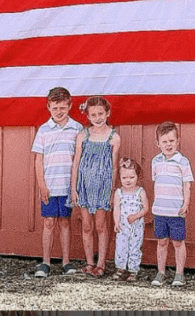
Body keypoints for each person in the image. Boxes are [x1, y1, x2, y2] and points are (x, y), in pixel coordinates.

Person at [30, 86, 82, 277]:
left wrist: (75, 187)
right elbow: (38, 160)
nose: (59, 112)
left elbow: (79, 158)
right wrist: (42, 185)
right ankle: (45, 262)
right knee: (49, 223)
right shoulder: (44, 130)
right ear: (48, 107)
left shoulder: (77, 129)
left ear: (70, 105)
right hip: (50, 187)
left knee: (65, 222)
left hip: (67, 186)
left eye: (62, 107)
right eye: (55, 108)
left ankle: (66, 262)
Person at [70, 94, 121, 277]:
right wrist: (73, 189)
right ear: (88, 116)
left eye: (101, 113)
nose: (98, 118)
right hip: (84, 185)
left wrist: (112, 192)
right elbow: (76, 163)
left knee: (101, 225)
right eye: (93, 115)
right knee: (86, 226)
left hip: (102, 187)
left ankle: (101, 265)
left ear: (108, 113)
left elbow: (114, 167)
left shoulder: (113, 137)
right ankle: (90, 262)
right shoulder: (83, 135)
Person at [150, 120, 194, 288]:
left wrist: (186, 204)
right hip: (160, 210)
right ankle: (161, 273)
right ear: (158, 143)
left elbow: (187, 185)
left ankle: (179, 274)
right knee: (161, 242)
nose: (168, 145)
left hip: (176, 211)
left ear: (178, 141)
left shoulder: (182, 162)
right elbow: (157, 183)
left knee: (178, 242)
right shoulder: (155, 161)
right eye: (164, 141)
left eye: (171, 141)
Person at [112, 157, 149, 281]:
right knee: (121, 246)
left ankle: (133, 270)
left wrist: (136, 216)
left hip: (136, 226)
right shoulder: (119, 192)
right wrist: (116, 222)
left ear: (137, 176)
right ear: (120, 178)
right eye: (124, 178)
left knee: (135, 246)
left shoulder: (140, 192)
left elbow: (145, 209)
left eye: (131, 177)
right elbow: (116, 208)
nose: (128, 181)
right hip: (123, 226)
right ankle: (120, 268)